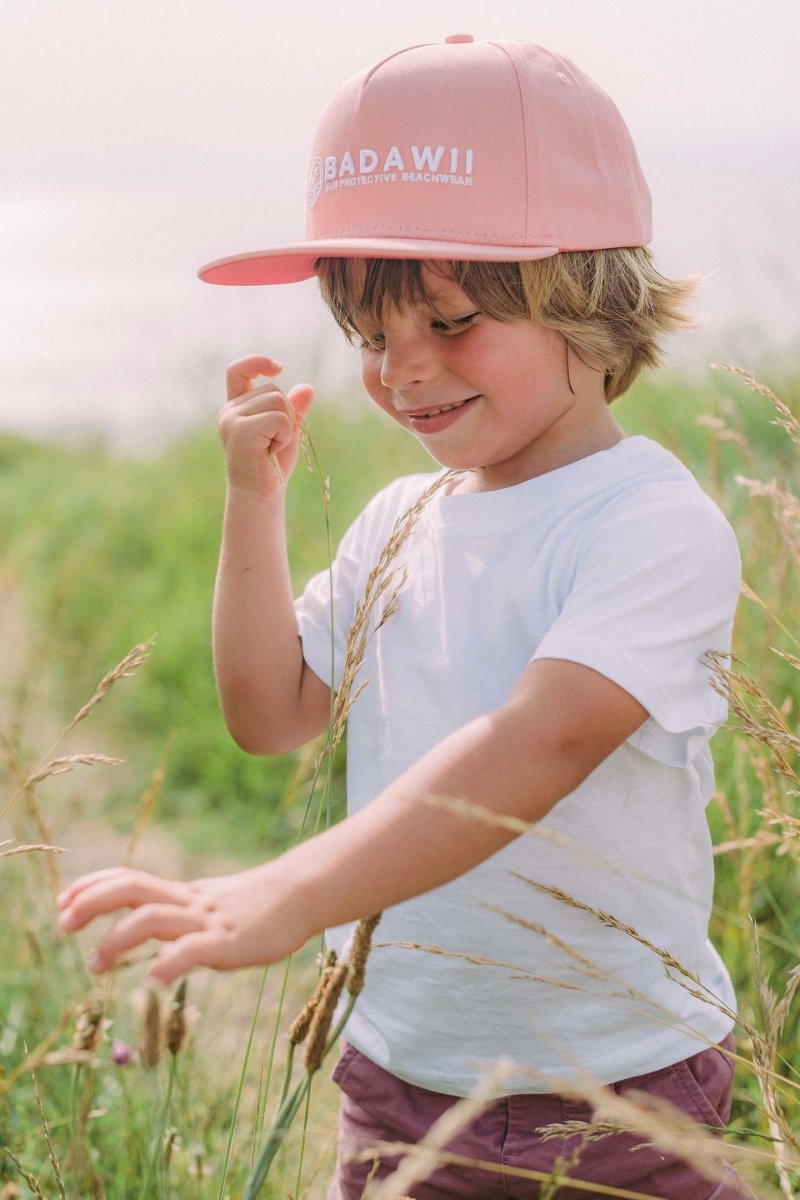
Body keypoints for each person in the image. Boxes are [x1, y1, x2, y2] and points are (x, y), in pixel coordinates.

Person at [58, 35, 753, 1199]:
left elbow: (532, 749)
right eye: (372, 337)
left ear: (585, 293)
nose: (403, 370)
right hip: (398, 1074)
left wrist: (286, 893)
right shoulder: (398, 519)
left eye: (451, 320)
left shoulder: (646, 524)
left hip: (615, 1091)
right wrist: (252, 506)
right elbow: (268, 711)